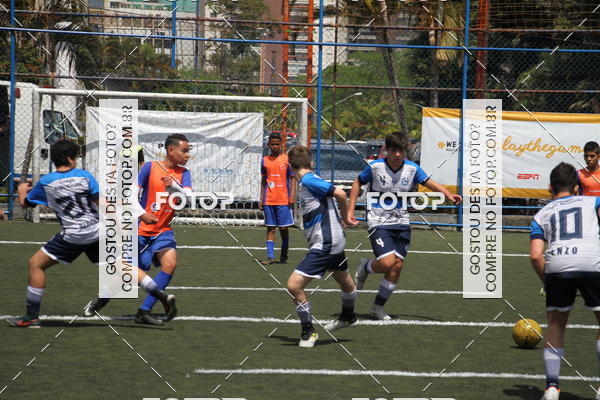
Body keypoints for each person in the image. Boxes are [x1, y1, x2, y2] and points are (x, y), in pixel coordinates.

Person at [6, 139, 175, 328]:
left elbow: (26, 204)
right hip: (97, 232)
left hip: (72, 236)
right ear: (70, 158)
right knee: (123, 266)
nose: (77, 160)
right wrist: (118, 224)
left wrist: (22, 191)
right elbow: (102, 203)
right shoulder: (84, 176)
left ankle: (31, 316)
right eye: (76, 157)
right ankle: (160, 294)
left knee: (35, 264)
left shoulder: (47, 182)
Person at [348, 133, 462, 320]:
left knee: (397, 266)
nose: (397, 154)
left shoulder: (412, 168)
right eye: (394, 150)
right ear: (387, 150)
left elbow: (430, 183)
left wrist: (448, 195)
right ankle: (365, 267)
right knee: (387, 263)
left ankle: (377, 308)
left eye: (401, 151)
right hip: (378, 221)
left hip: (401, 222)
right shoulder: (375, 167)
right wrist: (350, 210)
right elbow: (357, 182)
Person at [86, 134, 191, 325]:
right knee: (129, 275)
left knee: (170, 264)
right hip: (141, 230)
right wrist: (142, 214)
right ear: (171, 150)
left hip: (163, 230)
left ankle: (144, 311)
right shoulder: (150, 168)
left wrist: (174, 187)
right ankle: (103, 298)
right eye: (184, 150)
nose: (187, 155)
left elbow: (187, 198)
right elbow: (131, 196)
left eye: (188, 151)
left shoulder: (184, 173)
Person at [530, 162, 600, 400]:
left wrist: (548, 281)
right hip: (592, 262)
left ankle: (552, 388)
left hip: (557, 263)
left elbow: (536, 255)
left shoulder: (541, 214)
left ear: (550, 187)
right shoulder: (593, 202)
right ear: (577, 187)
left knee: (556, 324)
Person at [285, 145, 358, 348]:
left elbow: (340, 193)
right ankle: (348, 315)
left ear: (290, 166)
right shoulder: (310, 179)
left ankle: (309, 332)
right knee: (344, 280)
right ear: (311, 162)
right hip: (334, 240)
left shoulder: (308, 180)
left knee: (294, 286)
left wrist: (346, 218)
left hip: (326, 243)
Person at [259, 132, 296, 265]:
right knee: (270, 228)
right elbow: (264, 180)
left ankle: (284, 252)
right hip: (269, 199)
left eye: (277, 144)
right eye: (272, 144)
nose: (275, 147)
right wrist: (261, 199)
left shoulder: (287, 159)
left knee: (283, 228)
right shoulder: (265, 160)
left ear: (281, 145)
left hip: (283, 199)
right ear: (268, 145)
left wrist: (292, 195)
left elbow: (292, 178)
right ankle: (270, 257)